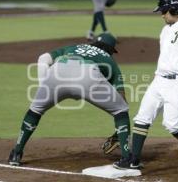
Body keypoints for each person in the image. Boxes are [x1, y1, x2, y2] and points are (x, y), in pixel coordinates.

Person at [112, 0, 178, 175]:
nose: (161, 15)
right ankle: (133, 160)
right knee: (142, 117)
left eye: (164, 11)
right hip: (159, 81)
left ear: (174, 8)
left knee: (172, 124)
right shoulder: (166, 29)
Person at [8, 33, 131, 166]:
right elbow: (121, 95)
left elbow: (43, 58)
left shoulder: (74, 47)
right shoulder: (108, 59)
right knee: (121, 110)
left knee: (35, 110)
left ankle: (16, 153)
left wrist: (44, 86)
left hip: (57, 73)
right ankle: (126, 158)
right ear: (110, 50)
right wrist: (120, 131)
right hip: (87, 76)